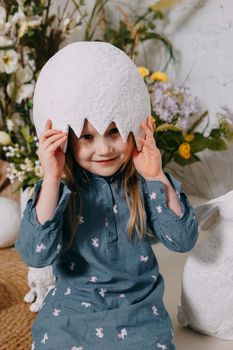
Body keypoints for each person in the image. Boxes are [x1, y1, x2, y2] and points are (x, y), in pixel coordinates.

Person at [16, 113, 199, 350]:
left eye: (114, 131)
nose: (104, 149)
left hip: (138, 310)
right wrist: (51, 178)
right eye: (88, 136)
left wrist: (156, 175)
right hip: (72, 307)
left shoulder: (144, 183)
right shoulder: (61, 189)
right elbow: (35, 255)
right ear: (68, 140)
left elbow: (183, 240)